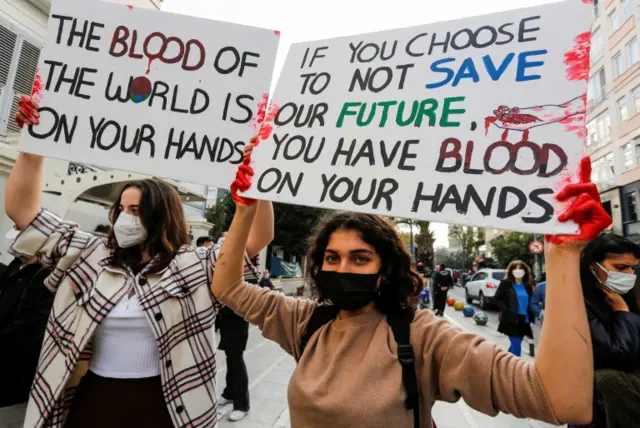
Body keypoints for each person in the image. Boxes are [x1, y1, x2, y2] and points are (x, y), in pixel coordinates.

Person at [211, 152, 609, 428]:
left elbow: (561, 400)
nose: (342, 268)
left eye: (360, 258)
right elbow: (227, 286)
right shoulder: (306, 321)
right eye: (332, 257)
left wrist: (563, 254)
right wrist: (247, 207)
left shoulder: (423, 337)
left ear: (385, 271)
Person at [7, 97, 274, 428]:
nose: (124, 216)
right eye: (121, 208)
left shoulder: (195, 265)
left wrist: (257, 179)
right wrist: (33, 147)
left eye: (135, 210)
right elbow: (24, 214)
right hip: (95, 400)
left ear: (160, 216)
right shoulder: (89, 256)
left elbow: (255, 239)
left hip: (168, 408)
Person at [568, 234, 640, 428]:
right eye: (621, 268)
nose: (629, 275)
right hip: (595, 409)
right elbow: (618, 354)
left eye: (633, 268)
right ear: (593, 267)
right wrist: (623, 313)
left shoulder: (627, 296)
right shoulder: (577, 303)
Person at [493, 260, 535, 357]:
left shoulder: (528, 286)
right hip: (511, 319)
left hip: (524, 320)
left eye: (520, 268)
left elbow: (531, 303)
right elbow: (496, 299)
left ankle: (505, 361)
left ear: (525, 271)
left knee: (515, 345)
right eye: (515, 268)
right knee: (516, 346)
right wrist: (507, 310)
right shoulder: (506, 284)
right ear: (511, 271)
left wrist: (533, 318)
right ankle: (515, 369)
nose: (518, 270)